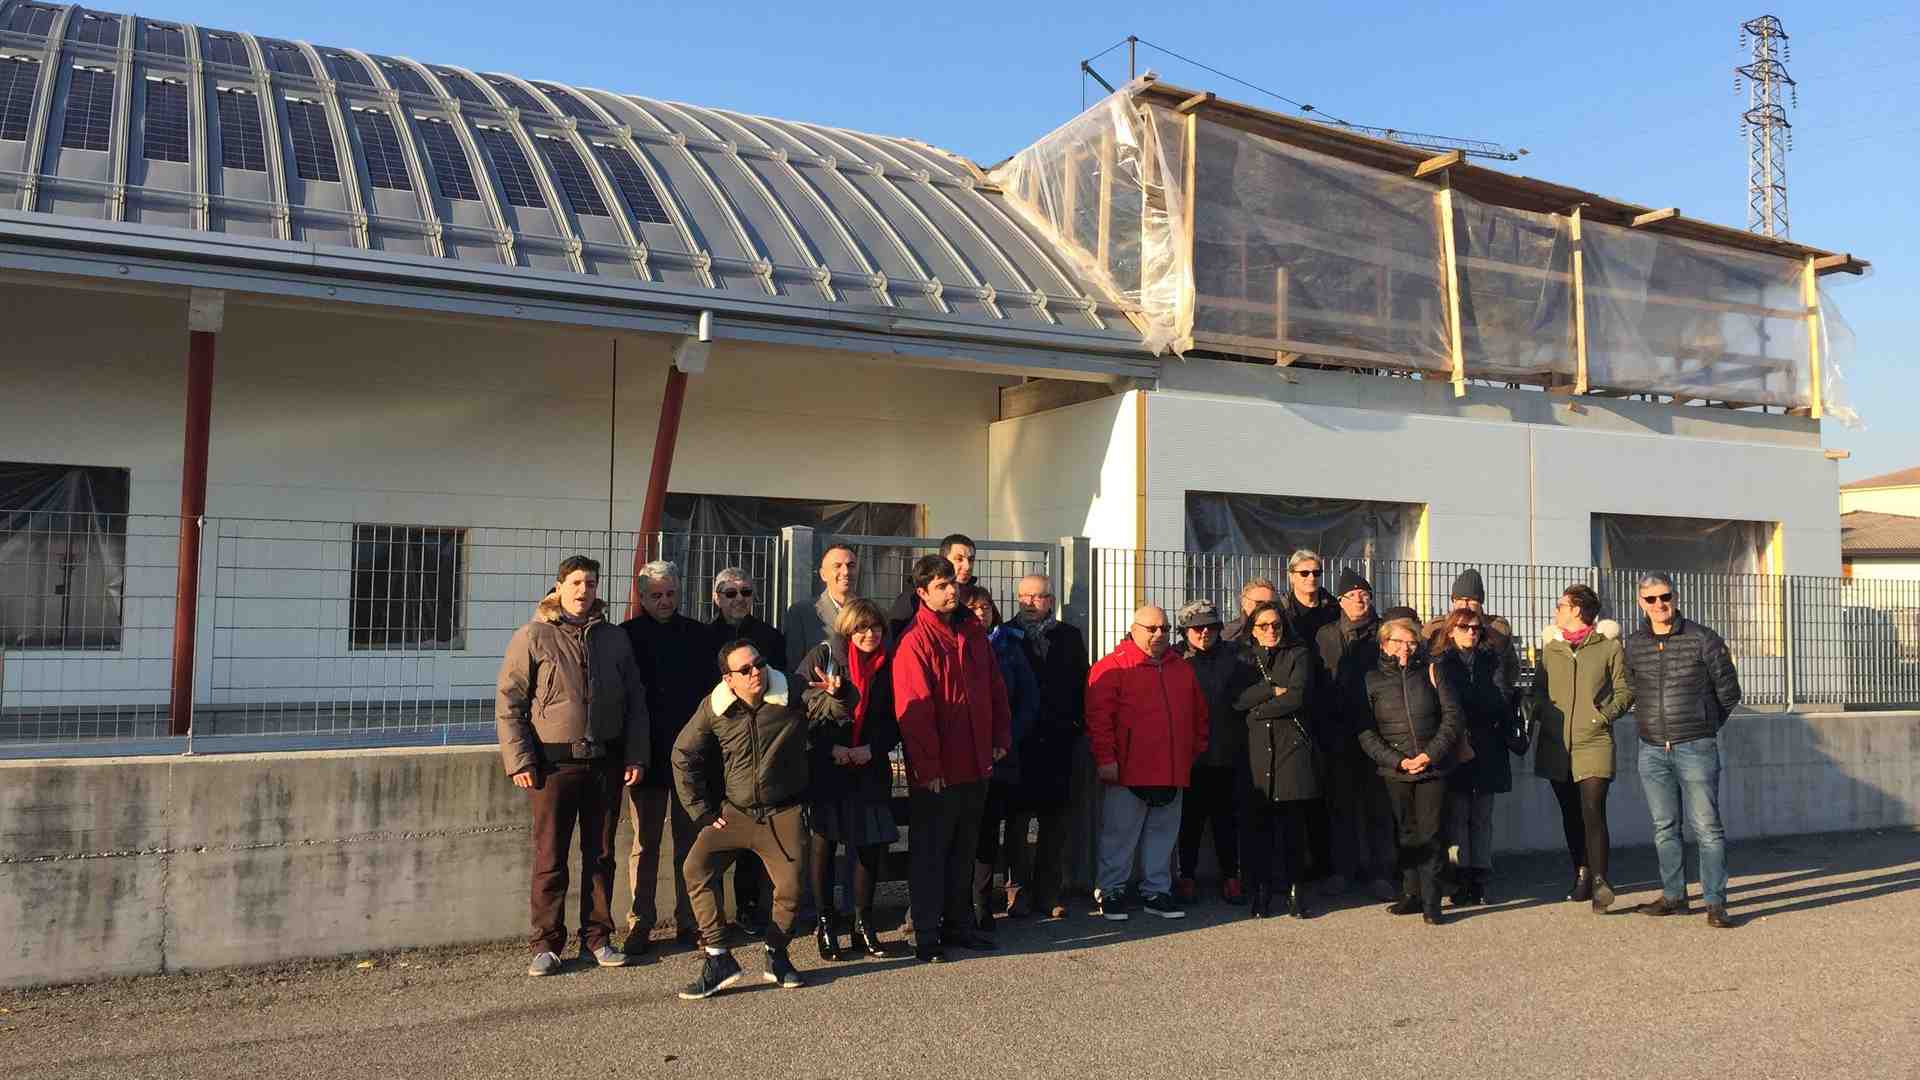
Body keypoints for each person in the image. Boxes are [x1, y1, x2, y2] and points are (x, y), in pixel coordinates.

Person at [495, 556, 650, 976]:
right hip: (551, 767)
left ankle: (598, 938)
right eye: (577, 582)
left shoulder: (614, 638)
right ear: (559, 586)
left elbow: (635, 701)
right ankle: (546, 945)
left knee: (600, 855)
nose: (584, 590)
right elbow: (510, 702)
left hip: (605, 763)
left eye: (592, 583)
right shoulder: (533, 635)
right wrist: (520, 759)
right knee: (551, 856)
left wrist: (635, 754)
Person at [673, 640, 812, 998]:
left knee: (792, 887)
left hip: (783, 812)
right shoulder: (716, 707)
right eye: (745, 669)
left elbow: (834, 708)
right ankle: (718, 957)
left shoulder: (790, 691)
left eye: (759, 663)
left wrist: (841, 694)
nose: (756, 672)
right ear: (728, 678)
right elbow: (683, 753)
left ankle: (776, 953)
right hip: (735, 813)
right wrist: (701, 811)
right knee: (695, 868)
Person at [892, 554, 1012, 962]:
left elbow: (994, 688)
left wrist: (1000, 736)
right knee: (930, 853)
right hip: (939, 772)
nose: (950, 591)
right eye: (940, 586)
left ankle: (961, 925)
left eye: (951, 583)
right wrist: (929, 767)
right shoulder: (916, 641)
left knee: (964, 849)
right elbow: (915, 709)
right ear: (922, 593)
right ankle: (925, 934)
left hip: (976, 761)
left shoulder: (973, 629)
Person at [1624, 574, 1743, 928]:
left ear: (1675, 597)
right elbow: (1633, 687)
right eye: (1651, 599)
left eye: (1665, 596)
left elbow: (1729, 691)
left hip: (1696, 746)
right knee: (1664, 827)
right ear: (1640, 603)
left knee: (1707, 828)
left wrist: (1704, 726)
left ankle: (1715, 902)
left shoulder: (1702, 638)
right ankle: (1674, 896)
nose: (1659, 604)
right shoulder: (1634, 643)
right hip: (1652, 749)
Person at [1086, 605, 1210, 921]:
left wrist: (1192, 752)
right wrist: (1106, 760)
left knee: (1163, 835)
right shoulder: (1111, 667)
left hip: (1172, 768)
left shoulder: (1180, 669)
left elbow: (1199, 716)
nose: (1159, 634)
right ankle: (1111, 890)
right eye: (1151, 628)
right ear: (1134, 628)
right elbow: (1100, 720)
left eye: (1164, 628)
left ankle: (1156, 890)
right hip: (1128, 769)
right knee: (1119, 834)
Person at [796, 599, 905, 959]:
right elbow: (801, 711)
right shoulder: (823, 657)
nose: (869, 634)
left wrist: (874, 749)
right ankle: (827, 925)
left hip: (870, 766)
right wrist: (831, 750)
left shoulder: (890, 663)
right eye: (861, 628)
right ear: (847, 629)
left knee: (869, 846)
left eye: (875, 627)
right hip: (829, 767)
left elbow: (899, 716)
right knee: (825, 846)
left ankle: (863, 924)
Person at [619, 561, 710, 953]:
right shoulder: (627, 637)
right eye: (656, 595)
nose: (665, 601)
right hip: (646, 758)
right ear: (642, 597)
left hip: (690, 758)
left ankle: (690, 922)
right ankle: (640, 923)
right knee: (645, 844)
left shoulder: (698, 635)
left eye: (671, 593)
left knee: (690, 844)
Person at [1531, 583, 1633, 914]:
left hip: (1594, 740)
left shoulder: (1609, 648)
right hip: (1557, 743)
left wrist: (1601, 716)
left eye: (1560, 605)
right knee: (1570, 814)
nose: (1556, 610)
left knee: (1592, 809)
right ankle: (1582, 875)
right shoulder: (1550, 649)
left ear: (1576, 610)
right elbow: (1538, 691)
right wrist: (1543, 714)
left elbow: (1625, 690)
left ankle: (1602, 882)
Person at [1360, 617, 1462, 924]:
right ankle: (1412, 892)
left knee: (1430, 833)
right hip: (1395, 771)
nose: (1405, 648)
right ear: (1384, 645)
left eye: (1411, 642)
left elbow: (1452, 717)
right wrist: (1397, 760)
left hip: (1432, 768)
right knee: (1405, 834)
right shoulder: (1371, 680)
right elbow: (1365, 732)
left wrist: (1429, 755)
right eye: (1398, 642)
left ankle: (1432, 901)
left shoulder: (1432, 671)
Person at [1006, 573, 1089, 920]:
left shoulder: (1069, 637)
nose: (1029, 603)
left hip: (1058, 742)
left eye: (1037, 597)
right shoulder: (1005, 634)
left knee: (1054, 824)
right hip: (1019, 744)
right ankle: (1017, 894)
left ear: (1051, 601)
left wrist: (1073, 725)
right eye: (1023, 596)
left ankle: (1049, 891)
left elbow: (1081, 685)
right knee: (1017, 824)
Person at [1313, 570, 1397, 902]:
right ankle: (1342, 871)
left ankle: (1381, 874)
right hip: (1339, 732)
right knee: (1341, 807)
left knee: (1379, 807)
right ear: (1340, 600)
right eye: (1352, 594)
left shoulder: (1384, 633)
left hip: (1378, 732)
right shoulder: (1326, 635)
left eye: (1365, 593)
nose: (1360, 598)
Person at [707, 566, 783, 932]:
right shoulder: (702, 637)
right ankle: (709, 916)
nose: (739, 599)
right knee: (716, 831)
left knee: (755, 828)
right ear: (716, 597)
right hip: (717, 747)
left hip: (758, 747)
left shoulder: (770, 637)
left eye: (746, 592)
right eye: (730, 592)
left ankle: (751, 907)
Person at [1232, 601, 1318, 919]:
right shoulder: (1243, 658)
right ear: (1252, 629)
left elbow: (1298, 696)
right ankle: (1261, 892)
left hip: (1291, 748)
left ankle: (1296, 893)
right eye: (1263, 626)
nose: (1271, 631)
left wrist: (1258, 709)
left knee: (1293, 828)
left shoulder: (1299, 654)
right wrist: (1271, 688)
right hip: (1255, 752)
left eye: (1276, 625)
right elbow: (1236, 700)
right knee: (1259, 828)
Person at [965, 584, 1039, 934]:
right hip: (966, 756)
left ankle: (983, 904)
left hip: (1004, 754)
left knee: (995, 829)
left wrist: (1008, 738)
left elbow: (1029, 697)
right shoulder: (956, 645)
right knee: (970, 831)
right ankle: (961, 903)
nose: (982, 613)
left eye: (986, 607)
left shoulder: (1010, 646)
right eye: (974, 607)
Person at [1427, 609, 1514, 906]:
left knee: (1482, 817)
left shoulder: (1492, 659)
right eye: (1463, 628)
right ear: (1451, 631)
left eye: (1476, 628)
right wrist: (1470, 709)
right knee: (1458, 816)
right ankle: (1459, 878)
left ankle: (1481, 877)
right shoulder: (1442, 663)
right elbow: (1446, 706)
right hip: (1457, 746)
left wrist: (1471, 705)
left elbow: (1500, 700)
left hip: (1489, 748)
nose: (1471, 633)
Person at [1174, 599, 1248, 906]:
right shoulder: (1174, 659)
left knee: (1225, 820)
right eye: (1196, 628)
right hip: (1188, 755)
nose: (1204, 633)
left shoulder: (1235, 657)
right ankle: (1186, 877)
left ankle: (1231, 877)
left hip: (1226, 752)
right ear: (1185, 631)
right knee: (1188, 822)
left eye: (1211, 627)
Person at [1423, 568, 1520, 692]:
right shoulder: (1434, 628)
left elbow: (1511, 668)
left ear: (1480, 602)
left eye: (1471, 600)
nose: (1465, 605)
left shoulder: (1497, 628)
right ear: (1453, 600)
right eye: (1460, 600)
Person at [785, 542, 859, 672]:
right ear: (823, 575)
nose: (846, 571)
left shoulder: (873, 613)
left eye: (850, 565)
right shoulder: (802, 613)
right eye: (837, 566)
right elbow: (795, 666)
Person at [890, 533, 976, 636]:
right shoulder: (910, 601)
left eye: (971, 560)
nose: (967, 566)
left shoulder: (977, 596)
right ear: (943, 560)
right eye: (959, 559)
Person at [1279, 549, 1340, 645]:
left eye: (1316, 573)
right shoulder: (1281, 609)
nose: (1311, 578)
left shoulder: (1335, 608)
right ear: (1292, 576)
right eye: (1304, 573)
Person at [1221, 577, 1277, 643]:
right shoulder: (1231, 634)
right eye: (1259, 603)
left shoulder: (1285, 631)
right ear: (1244, 603)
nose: (1265, 608)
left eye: (1271, 604)